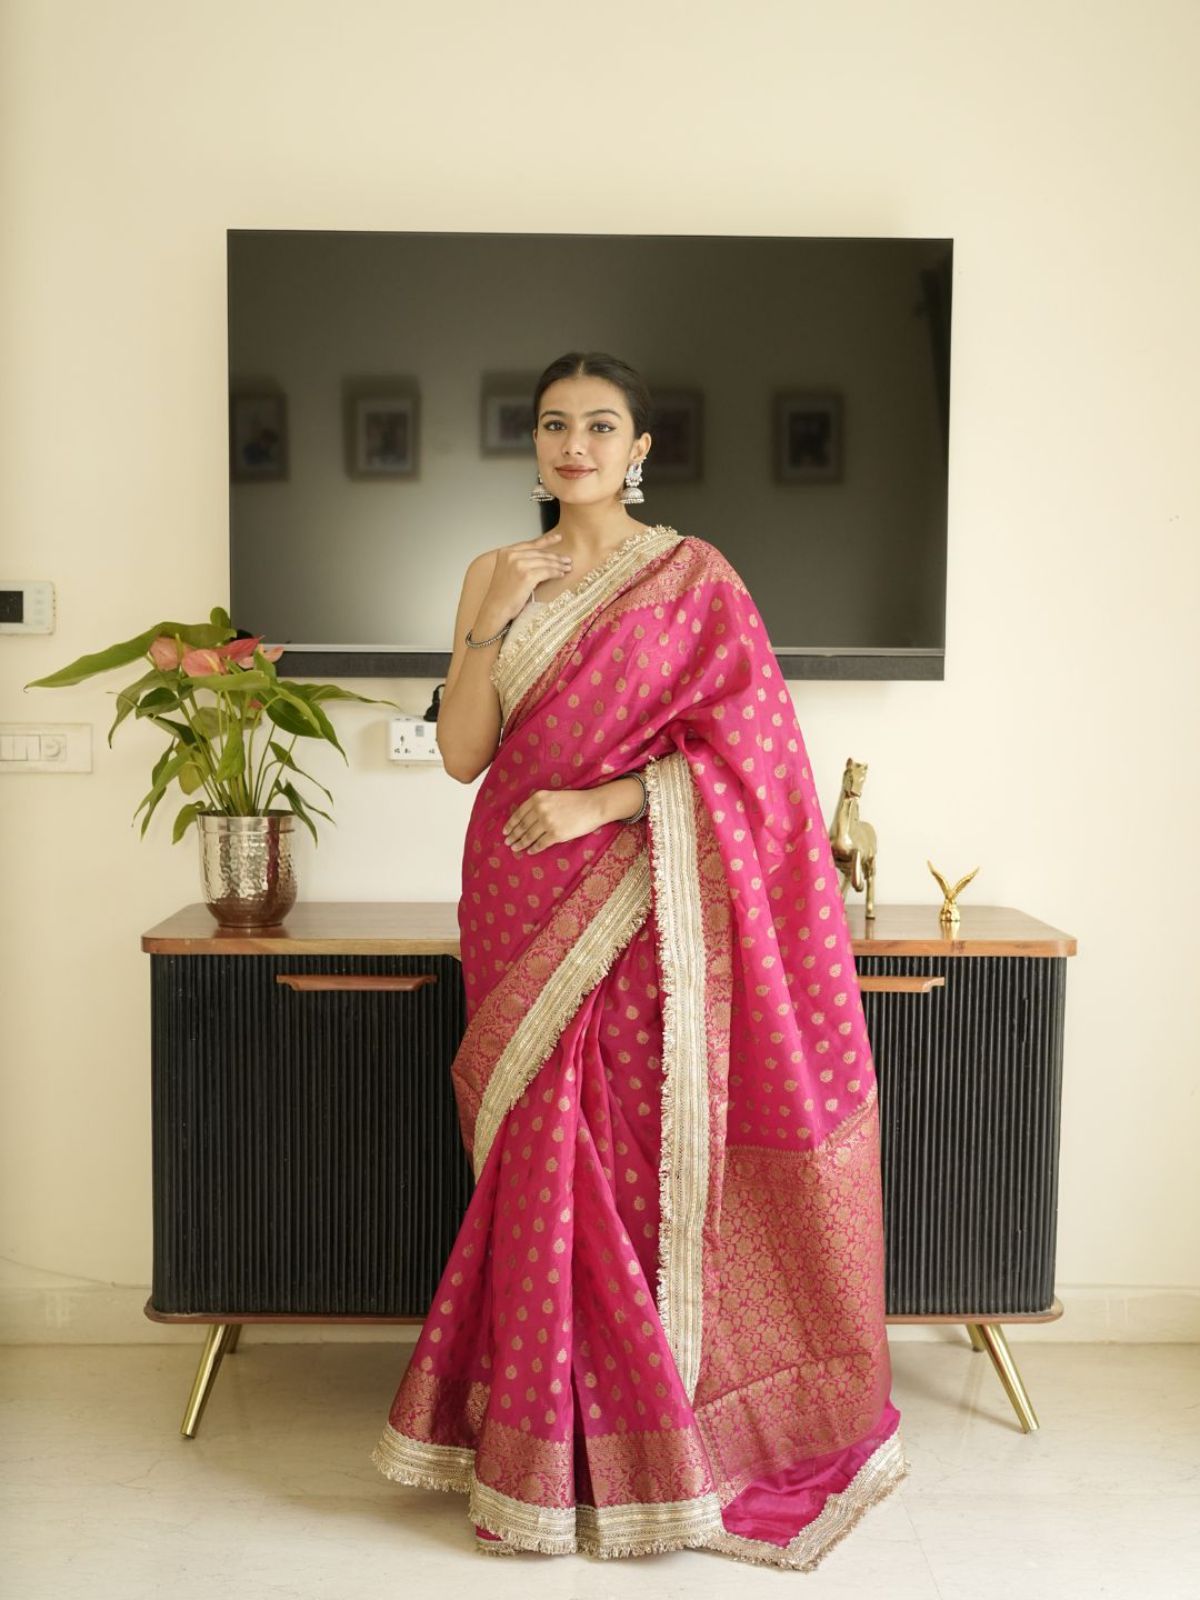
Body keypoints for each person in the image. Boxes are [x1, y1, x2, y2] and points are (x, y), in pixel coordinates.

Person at [371, 351, 907, 1567]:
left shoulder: (693, 579)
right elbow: (462, 752)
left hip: (635, 892)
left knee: (617, 1156)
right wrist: (492, 620)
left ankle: (642, 1446)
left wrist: (602, 802)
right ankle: (543, 1446)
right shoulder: (492, 571)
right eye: (555, 424)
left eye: (601, 425)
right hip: (514, 893)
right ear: (533, 443)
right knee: (534, 1154)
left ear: (640, 448)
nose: (577, 444)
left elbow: (755, 758)